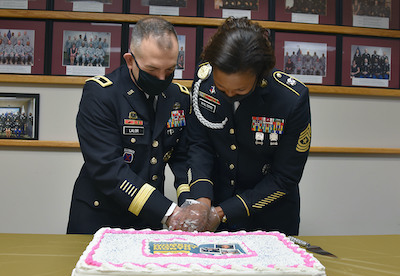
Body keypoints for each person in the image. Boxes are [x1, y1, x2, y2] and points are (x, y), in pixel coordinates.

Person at [67, 17, 194, 234]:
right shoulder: (101, 95)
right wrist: (170, 212)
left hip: (148, 220)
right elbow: (108, 168)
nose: (162, 78)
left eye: (170, 69)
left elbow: (182, 157)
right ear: (130, 60)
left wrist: (189, 202)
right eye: (152, 70)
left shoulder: (178, 97)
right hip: (100, 219)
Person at [187, 17, 311, 235]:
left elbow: (285, 177)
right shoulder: (203, 82)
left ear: (259, 74)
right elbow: (200, 144)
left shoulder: (291, 99)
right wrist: (202, 200)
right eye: (222, 88)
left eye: (240, 91)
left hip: (270, 219)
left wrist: (223, 211)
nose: (230, 96)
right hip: (214, 212)